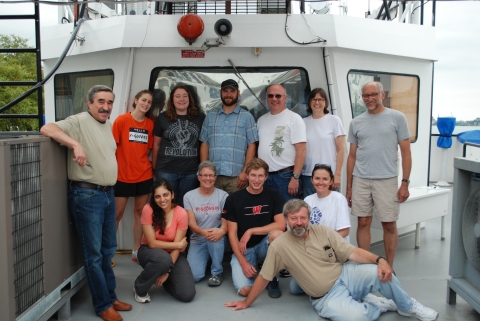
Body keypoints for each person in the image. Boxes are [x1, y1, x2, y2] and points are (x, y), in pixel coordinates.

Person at [225, 199, 439, 321]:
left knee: (381, 272)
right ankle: (376, 306)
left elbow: (352, 253)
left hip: (346, 275)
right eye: (293, 219)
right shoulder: (280, 246)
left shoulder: (324, 231)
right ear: (287, 220)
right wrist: (246, 302)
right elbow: (264, 277)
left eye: (302, 218)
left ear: (308, 218)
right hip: (325, 296)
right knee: (357, 318)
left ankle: (406, 306)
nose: (298, 223)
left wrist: (379, 259)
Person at [40, 85, 131, 321]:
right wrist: (75, 144)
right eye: (101, 101)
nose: (106, 107)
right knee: (94, 255)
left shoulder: (107, 125)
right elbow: (47, 128)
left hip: (108, 194)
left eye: (110, 102)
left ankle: (110, 297)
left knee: (108, 249)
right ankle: (102, 305)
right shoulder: (79, 120)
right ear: (89, 103)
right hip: (87, 195)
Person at [346, 81, 412, 269]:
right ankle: (366, 267)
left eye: (373, 94)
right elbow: (352, 156)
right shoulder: (356, 122)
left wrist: (405, 183)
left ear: (382, 95)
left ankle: (389, 267)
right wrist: (349, 188)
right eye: (366, 96)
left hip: (387, 179)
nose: (369, 99)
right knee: (363, 221)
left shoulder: (397, 118)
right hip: (361, 179)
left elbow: (406, 152)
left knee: (389, 224)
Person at [222, 158, 286, 298]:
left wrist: (251, 231)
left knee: (278, 235)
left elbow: (281, 225)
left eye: (260, 176)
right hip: (244, 249)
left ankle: (271, 276)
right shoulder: (234, 198)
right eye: (253, 175)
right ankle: (258, 273)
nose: (257, 180)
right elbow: (232, 234)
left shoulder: (273, 195)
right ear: (247, 176)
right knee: (245, 291)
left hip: (265, 245)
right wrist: (243, 262)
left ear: (266, 177)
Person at [290, 163, 351, 295]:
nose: (320, 182)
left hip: (333, 252)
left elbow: (345, 231)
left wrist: (322, 245)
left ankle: (335, 280)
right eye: (317, 178)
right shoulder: (308, 200)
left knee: (320, 287)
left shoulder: (338, 199)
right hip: (315, 253)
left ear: (331, 181)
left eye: (325, 179)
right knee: (294, 288)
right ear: (311, 180)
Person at [134, 179, 196, 303]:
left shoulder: (181, 213)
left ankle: (164, 278)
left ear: (172, 195)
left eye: (165, 195)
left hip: (173, 254)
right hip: (149, 251)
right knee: (163, 259)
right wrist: (178, 244)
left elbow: (176, 249)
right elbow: (152, 243)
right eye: (157, 196)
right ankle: (140, 288)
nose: (162, 199)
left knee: (187, 294)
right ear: (154, 198)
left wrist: (167, 272)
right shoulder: (148, 209)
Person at [112, 89, 154, 263]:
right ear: (135, 101)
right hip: (122, 176)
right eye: (143, 100)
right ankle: (108, 253)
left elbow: (149, 149)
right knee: (116, 215)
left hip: (144, 175)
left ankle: (136, 250)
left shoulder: (150, 124)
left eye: (149, 102)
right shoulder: (122, 120)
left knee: (139, 213)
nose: (146, 104)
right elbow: (112, 146)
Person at [200, 79, 259, 194]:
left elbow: (251, 145)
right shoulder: (210, 117)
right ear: (220, 93)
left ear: (238, 93)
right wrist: (204, 171)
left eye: (232, 91)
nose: (228, 94)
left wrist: (245, 172)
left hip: (237, 178)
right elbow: (204, 144)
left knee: (236, 210)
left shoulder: (247, 117)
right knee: (213, 211)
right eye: (225, 91)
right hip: (212, 177)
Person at [152, 85, 205, 207]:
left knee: (185, 207)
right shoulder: (162, 117)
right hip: (166, 170)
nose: (181, 99)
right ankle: (166, 227)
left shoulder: (200, 117)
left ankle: (181, 227)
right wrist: (154, 166)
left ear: (190, 99)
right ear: (172, 100)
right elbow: (156, 144)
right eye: (178, 96)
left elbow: (204, 144)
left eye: (184, 96)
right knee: (165, 206)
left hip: (191, 172)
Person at [257, 83, 306, 201]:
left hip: (285, 177)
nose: (274, 99)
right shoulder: (261, 120)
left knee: (287, 215)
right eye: (270, 96)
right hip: (264, 177)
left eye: (278, 96)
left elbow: (302, 150)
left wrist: (295, 178)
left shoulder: (294, 118)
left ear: (285, 98)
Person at [184, 161, 229, 286]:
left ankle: (217, 272)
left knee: (214, 237)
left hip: (217, 238)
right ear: (199, 177)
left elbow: (225, 223)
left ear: (215, 177)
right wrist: (205, 232)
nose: (207, 178)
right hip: (198, 239)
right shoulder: (189, 196)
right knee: (194, 276)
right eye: (204, 175)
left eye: (211, 175)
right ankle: (208, 258)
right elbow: (191, 224)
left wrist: (221, 231)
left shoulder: (223, 196)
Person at [302, 88, 346, 195]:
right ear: (309, 102)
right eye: (314, 99)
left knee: (330, 209)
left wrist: (337, 175)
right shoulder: (303, 122)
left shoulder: (334, 120)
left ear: (325, 102)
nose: (317, 102)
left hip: (328, 176)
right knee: (311, 210)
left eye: (320, 99)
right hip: (308, 176)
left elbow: (341, 150)